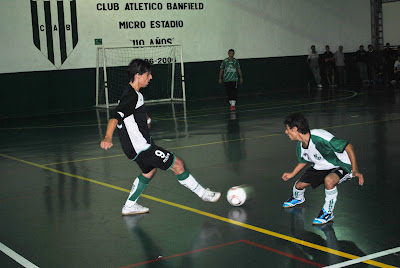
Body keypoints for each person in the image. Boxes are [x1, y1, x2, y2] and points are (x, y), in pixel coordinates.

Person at [100, 59, 221, 215]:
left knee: (149, 172)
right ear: (138, 75)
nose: (150, 78)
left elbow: (133, 112)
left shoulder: (132, 94)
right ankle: (203, 194)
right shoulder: (131, 96)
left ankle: (129, 206)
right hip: (141, 148)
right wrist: (108, 137)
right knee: (178, 164)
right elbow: (115, 116)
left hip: (133, 148)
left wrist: (146, 119)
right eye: (148, 75)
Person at [281, 112, 364, 225]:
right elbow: (304, 160)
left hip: (341, 164)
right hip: (322, 166)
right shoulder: (300, 146)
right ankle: (298, 198)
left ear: (295, 129)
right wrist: (292, 173)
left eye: (287, 129)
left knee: (329, 181)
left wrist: (355, 170)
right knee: (298, 186)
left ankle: (328, 212)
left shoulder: (320, 137)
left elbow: (348, 146)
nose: (286, 132)